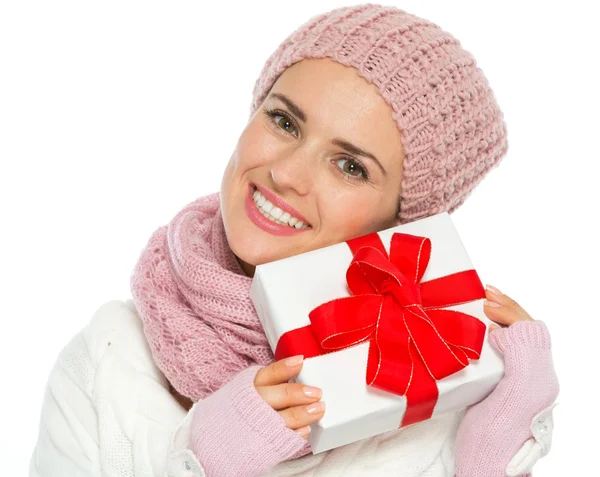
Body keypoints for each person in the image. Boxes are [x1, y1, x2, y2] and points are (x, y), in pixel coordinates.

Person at [29, 3, 560, 477]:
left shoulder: (437, 391)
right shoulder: (108, 356)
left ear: (404, 222)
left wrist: (492, 456)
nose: (286, 174)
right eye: (284, 121)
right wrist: (203, 463)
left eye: (350, 166)